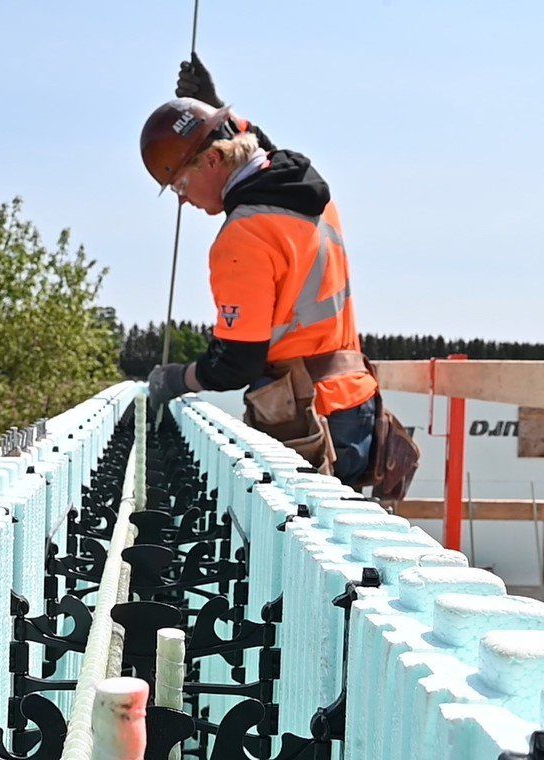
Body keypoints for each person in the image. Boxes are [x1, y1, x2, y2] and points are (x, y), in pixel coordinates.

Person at [139, 54, 393, 488]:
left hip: (307, 419)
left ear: (214, 162)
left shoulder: (243, 238)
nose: (183, 200)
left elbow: (236, 363)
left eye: (181, 184)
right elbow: (263, 154)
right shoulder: (307, 193)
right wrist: (216, 109)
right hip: (354, 401)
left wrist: (176, 378)